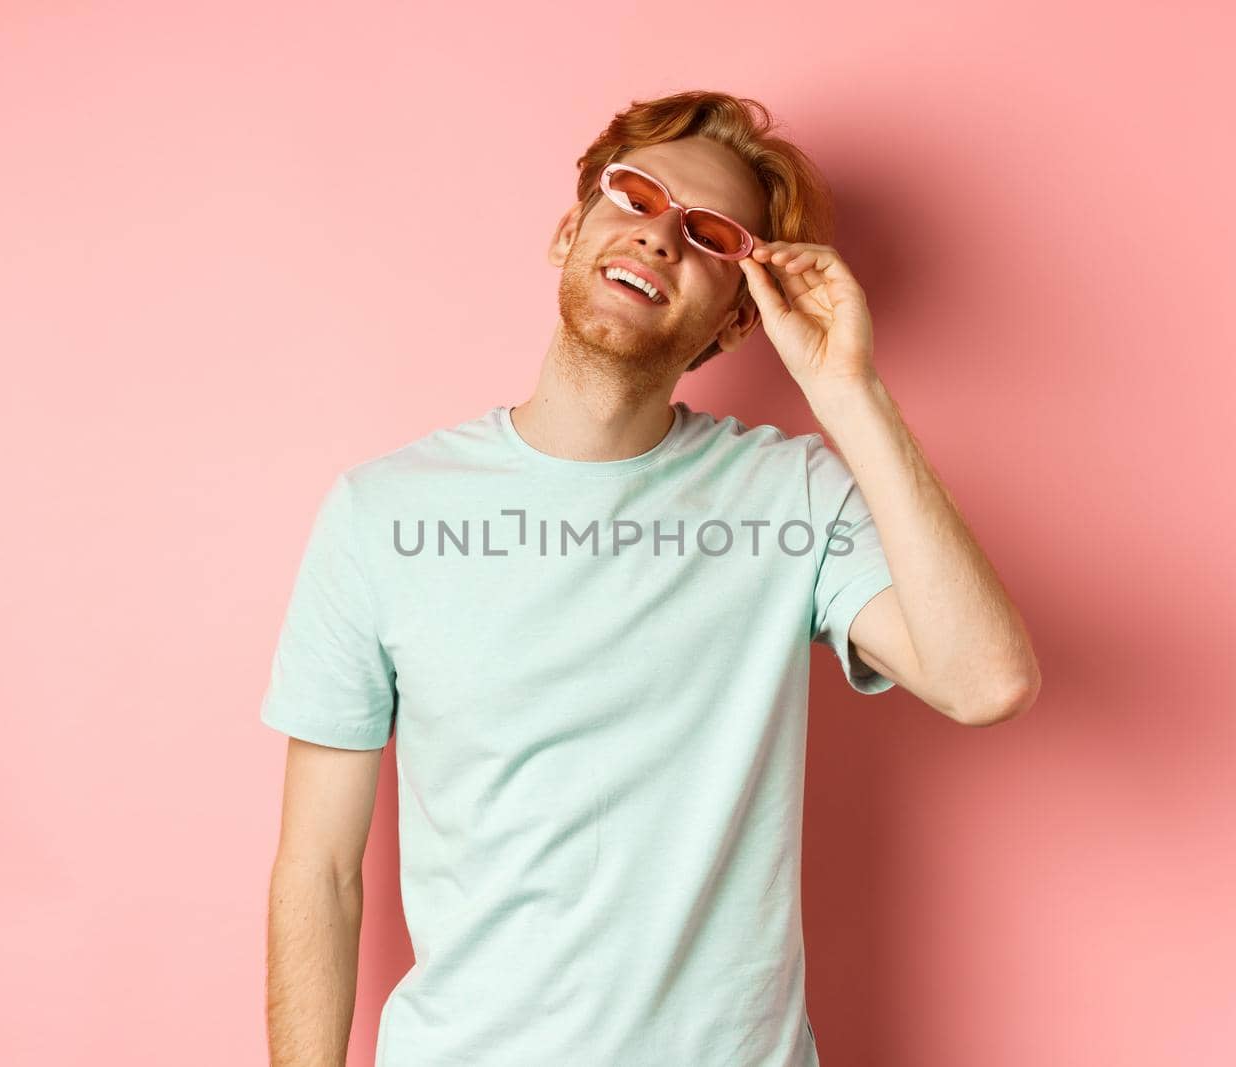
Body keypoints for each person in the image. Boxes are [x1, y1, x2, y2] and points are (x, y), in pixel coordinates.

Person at [261, 89, 1041, 1067]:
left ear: (733, 323)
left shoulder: (789, 495)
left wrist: (849, 389)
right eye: (634, 195)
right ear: (568, 231)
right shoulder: (382, 512)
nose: (660, 235)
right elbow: (319, 871)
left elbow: (986, 681)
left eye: (709, 233)